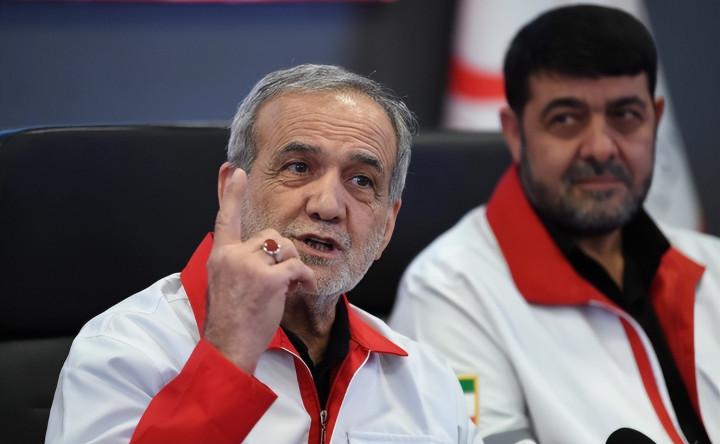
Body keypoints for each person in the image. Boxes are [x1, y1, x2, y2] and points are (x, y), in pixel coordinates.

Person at [46, 64, 482, 444]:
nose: (328, 206)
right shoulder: (123, 351)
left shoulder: (429, 382)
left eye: (361, 181)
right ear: (230, 190)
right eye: (298, 167)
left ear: (386, 226)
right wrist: (228, 356)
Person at [389, 5, 719, 444]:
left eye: (625, 115)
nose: (601, 148)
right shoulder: (450, 291)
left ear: (655, 120)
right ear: (514, 132)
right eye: (566, 119)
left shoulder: (712, 264)